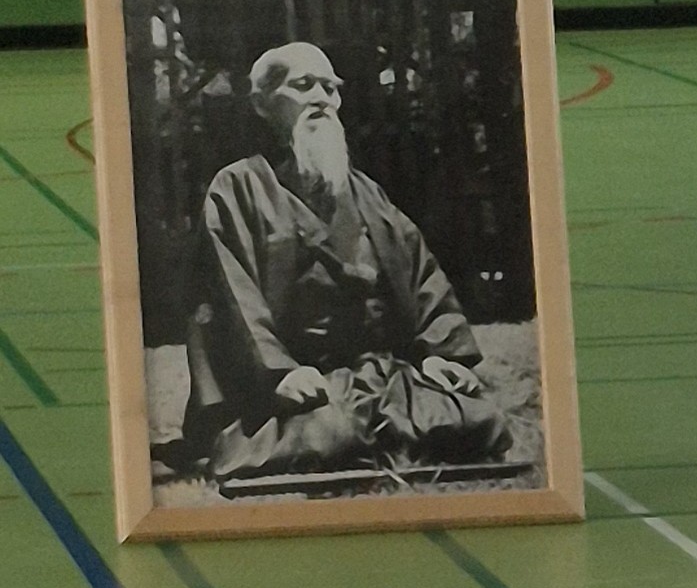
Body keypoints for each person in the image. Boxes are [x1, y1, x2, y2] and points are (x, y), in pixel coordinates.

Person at [178, 41, 513, 487]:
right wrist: (280, 373)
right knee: (330, 430)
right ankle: (356, 430)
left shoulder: (367, 193)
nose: (321, 98)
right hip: (297, 386)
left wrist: (437, 356)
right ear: (262, 103)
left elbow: (420, 275)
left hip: (381, 377)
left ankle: (380, 424)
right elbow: (231, 295)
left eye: (330, 88)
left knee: (478, 421)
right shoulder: (237, 187)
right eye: (303, 85)